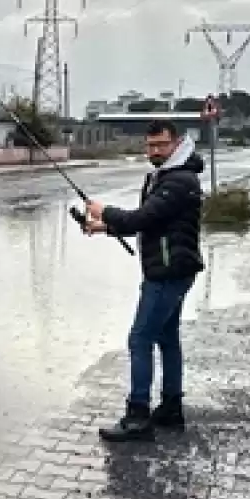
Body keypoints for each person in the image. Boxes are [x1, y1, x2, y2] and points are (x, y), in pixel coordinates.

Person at [85, 120, 205, 442]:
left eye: (161, 145)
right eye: (150, 145)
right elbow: (152, 223)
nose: (154, 151)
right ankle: (170, 407)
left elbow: (140, 218)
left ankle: (137, 416)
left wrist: (104, 211)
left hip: (167, 272)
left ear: (176, 143)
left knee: (140, 338)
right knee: (166, 337)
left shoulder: (178, 180)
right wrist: (104, 227)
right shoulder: (166, 175)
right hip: (172, 269)